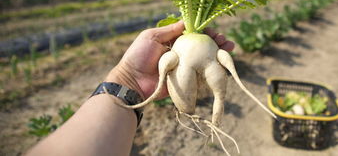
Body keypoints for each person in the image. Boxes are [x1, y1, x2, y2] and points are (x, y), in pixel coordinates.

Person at [26, 21, 234, 156]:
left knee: (219, 93)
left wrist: (129, 80)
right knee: (217, 93)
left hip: (195, 45)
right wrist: (129, 79)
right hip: (192, 44)